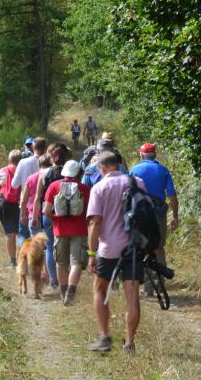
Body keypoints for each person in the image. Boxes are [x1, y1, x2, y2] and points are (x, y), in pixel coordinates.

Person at [86, 151, 147, 355]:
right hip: (133, 247)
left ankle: (104, 337)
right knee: (132, 296)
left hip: (108, 249)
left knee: (100, 290)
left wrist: (91, 253)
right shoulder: (137, 182)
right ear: (119, 165)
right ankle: (129, 343)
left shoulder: (99, 188)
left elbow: (95, 222)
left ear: (102, 168)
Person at [129, 143, 179, 296]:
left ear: (142, 155)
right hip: (158, 212)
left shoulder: (135, 170)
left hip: (140, 212)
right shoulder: (163, 170)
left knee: (141, 247)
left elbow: (128, 192)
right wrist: (175, 216)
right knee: (158, 247)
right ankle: (159, 284)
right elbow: (172, 195)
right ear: (154, 155)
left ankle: (146, 287)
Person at [43, 160, 91, 305]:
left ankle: (63, 293)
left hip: (60, 230)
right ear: (78, 173)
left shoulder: (54, 186)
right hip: (79, 230)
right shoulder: (84, 188)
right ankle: (71, 294)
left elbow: (46, 211)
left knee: (61, 262)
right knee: (76, 262)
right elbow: (89, 211)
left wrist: (56, 220)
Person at [32, 143, 72, 289]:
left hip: (48, 213)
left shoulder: (44, 174)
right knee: (65, 247)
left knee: (49, 247)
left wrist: (35, 216)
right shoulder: (70, 172)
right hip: (67, 214)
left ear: (51, 159)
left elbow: (37, 197)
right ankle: (65, 279)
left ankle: (54, 280)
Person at [13, 137, 46, 247]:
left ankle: (22, 258)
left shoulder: (23, 162)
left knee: (23, 234)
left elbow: (14, 184)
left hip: (26, 204)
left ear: (32, 147)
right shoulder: (49, 162)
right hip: (45, 205)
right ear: (45, 148)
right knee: (44, 238)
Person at [0, 150, 23, 268]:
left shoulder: (1, 171)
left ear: (9, 159)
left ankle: (13, 261)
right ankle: (22, 258)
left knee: (9, 234)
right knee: (20, 233)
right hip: (19, 204)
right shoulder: (22, 170)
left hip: (5, 204)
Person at [20, 155, 51, 246]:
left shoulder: (31, 178)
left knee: (37, 248)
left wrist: (23, 214)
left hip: (34, 216)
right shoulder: (52, 177)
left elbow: (23, 200)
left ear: (38, 164)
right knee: (50, 246)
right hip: (49, 215)